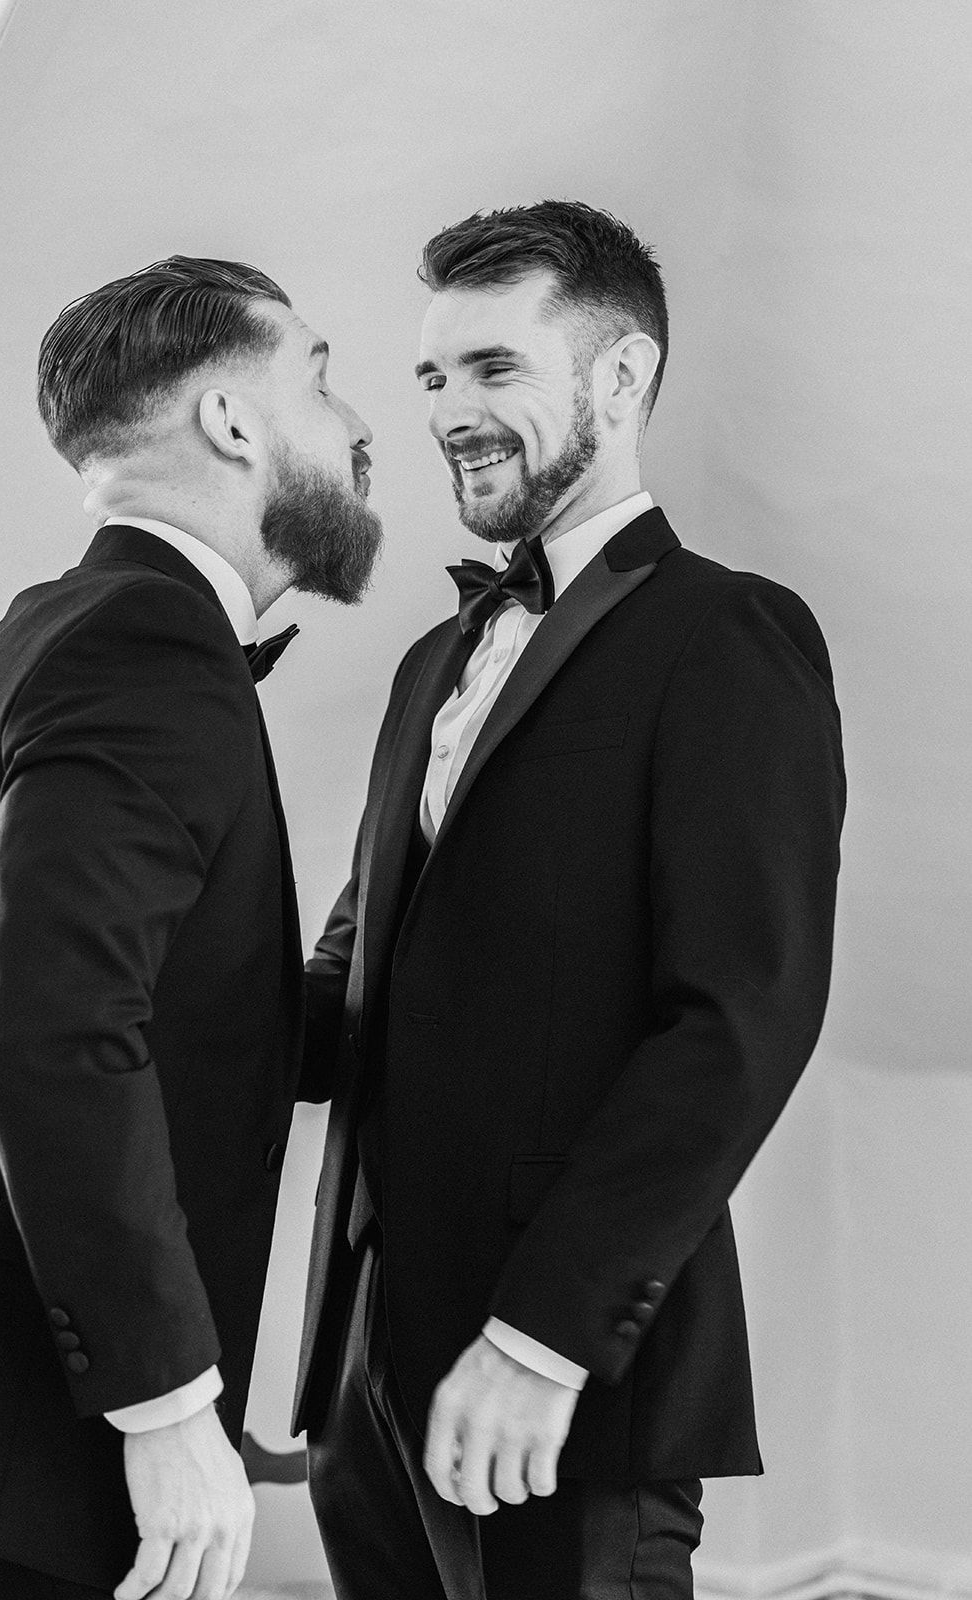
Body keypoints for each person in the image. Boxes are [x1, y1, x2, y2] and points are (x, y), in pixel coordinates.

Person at [0, 255, 380, 1600]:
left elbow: (166, 1011)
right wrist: (167, 1406)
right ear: (230, 421)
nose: (355, 426)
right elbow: (55, 1028)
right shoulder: (146, 649)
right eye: (320, 374)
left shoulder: (41, 634)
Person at [295, 202, 845, 1600]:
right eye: (429, 377)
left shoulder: (727, 634)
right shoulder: (434, 659)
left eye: (491, 369)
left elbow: (735, 1021)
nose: (447, 412)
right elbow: (362, 964)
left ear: (618, 379)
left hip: (562, 1379)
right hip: (366, 1360)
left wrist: (542, 1339)